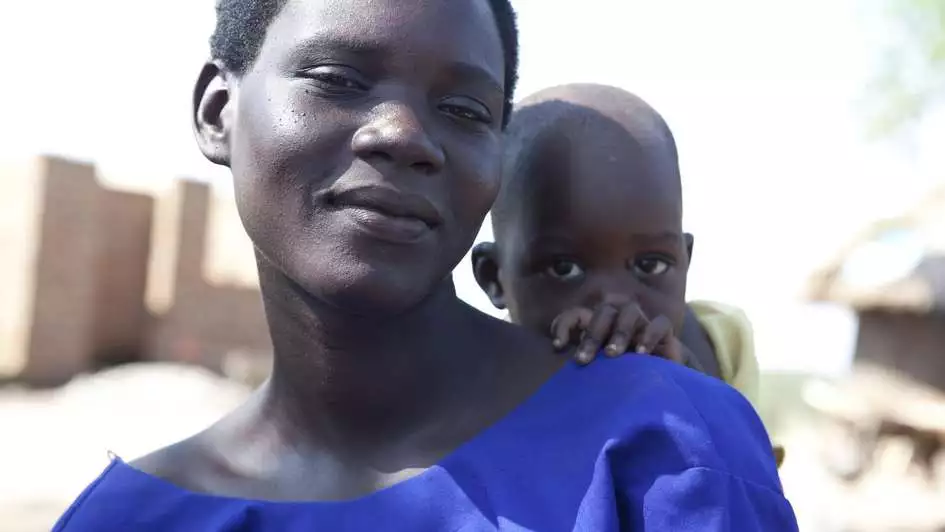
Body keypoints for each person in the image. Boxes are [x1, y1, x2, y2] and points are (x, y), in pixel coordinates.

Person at [54, 1, 797, 530]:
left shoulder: (662, 449)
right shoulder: (128, 517)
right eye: (338, 79)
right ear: (218, 111)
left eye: (466, 110)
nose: (403, 134)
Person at [471, 83, 781, 465]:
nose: (617, 307)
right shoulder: (479, 389)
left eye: (650, 265)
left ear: (685, 259)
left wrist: (693, 392)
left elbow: (751, 489)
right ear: (494, 278)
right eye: (564, 269)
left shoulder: (719, 344)